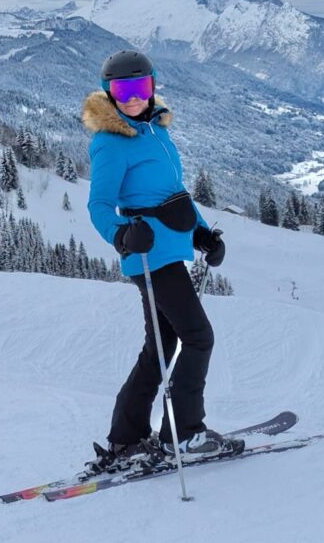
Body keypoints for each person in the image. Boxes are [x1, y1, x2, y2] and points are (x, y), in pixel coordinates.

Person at [82, 49, 242, 474]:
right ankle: (185, 434)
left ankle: (126, 437)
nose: (132, 98)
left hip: (173, 248)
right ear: (108, 93)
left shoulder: (155, 130)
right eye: (122, 90)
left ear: (152, 88)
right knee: (198, 336)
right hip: (150, 256)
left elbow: (175, 195)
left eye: (139, 88)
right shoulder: (111, 142)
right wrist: (121, 235)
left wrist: (202, 233)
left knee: (163, 346)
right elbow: (98, 204)